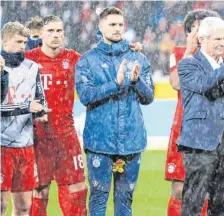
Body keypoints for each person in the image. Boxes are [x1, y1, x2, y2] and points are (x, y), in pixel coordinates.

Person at [75, 7, 153, 216]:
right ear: (100, 27)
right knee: (98, 199)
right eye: (112, 24)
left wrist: (136, 82)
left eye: (120, 24)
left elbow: (149, 98)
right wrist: (115, 84)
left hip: (131, 141)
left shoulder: (139, 58)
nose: (118, 29)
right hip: (100, 142)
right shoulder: (87, 61)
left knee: (125, 201)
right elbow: (85, 96)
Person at [176, 16, 224, 215]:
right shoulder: (188, 64)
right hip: (200, 141)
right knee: (194, 201)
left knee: (221, 202)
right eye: (217, 39)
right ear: (202, 39)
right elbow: (205, 85)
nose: (223, 43)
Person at [26, 15, 87, 216]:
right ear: (41, 34)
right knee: (38, 194)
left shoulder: (73, 59)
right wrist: (29, 106)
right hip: (37, 138)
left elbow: (97, 64)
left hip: (66, 138)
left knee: (76, 190)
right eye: (50, 31)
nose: (55, 35)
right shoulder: (29, 60)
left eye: (59, 31)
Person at [165, 9, 221, 216]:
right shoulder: (179, 53)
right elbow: (177, 83)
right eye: (200, 27)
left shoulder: (222, 57)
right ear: (190, 31)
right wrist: (189, 52)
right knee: (179, 189)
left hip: (210, 131)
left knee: (205, 190)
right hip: (183, 129)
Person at [1, 21, 49, 216]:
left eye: (24, 41)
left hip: (25, 147)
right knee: (1, 206)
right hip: (2, 146)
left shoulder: (33, 67)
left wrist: (41, 112)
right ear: (4, 41)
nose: (22, 46)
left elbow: (40, 98)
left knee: (23, 208)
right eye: (18, 41)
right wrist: (25, 107)